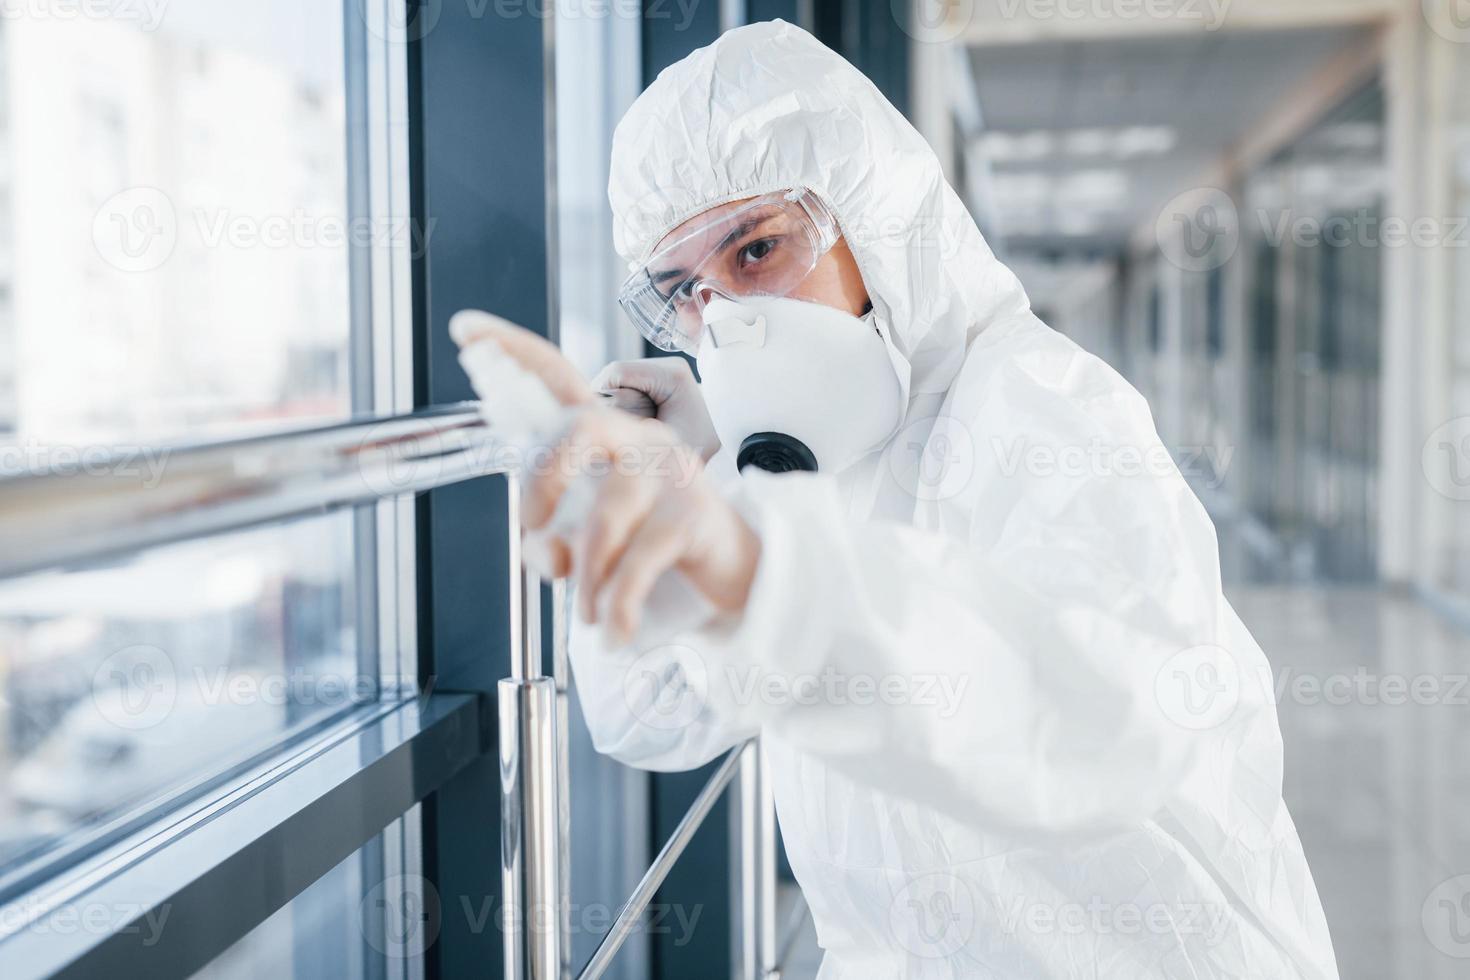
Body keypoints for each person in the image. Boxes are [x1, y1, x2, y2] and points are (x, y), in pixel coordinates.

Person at [455, 20, 1339, 979]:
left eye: (756, 252)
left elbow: (1108, 716)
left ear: (877, 220)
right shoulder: (832, 463)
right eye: (689, 294)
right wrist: (687, 491)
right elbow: (650, 718)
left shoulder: (1044, 409)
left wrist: (760, 573)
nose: (729, 323)